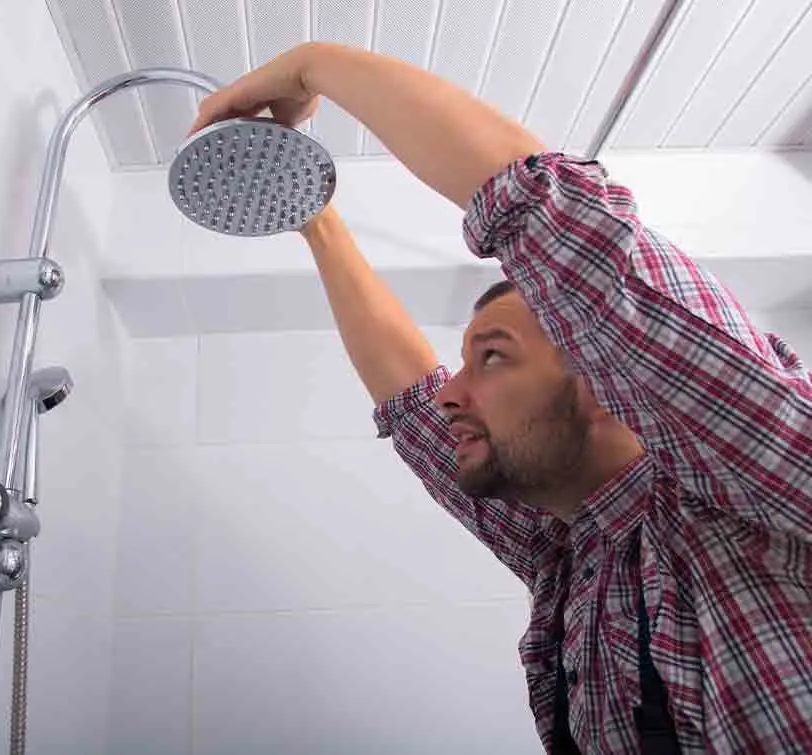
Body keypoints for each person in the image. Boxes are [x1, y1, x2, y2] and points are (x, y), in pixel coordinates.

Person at [190, 42, 812, 754]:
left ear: (607, 382)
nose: (451, 394)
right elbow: (410, 401)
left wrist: (311, 63)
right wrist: (311, 213)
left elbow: (559, 226)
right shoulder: (571, 557)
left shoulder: (757, 494)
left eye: (491, 356)